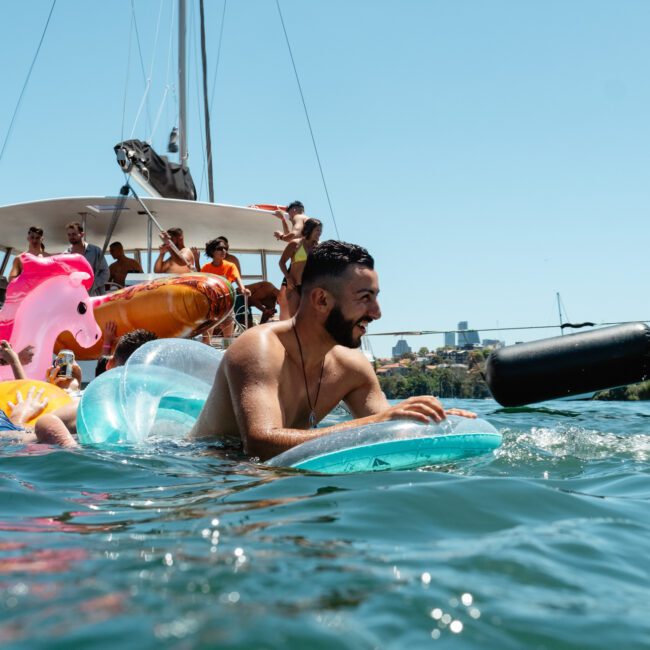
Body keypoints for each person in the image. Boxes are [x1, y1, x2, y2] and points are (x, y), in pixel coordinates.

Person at [190, 240, 475, 459]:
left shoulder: (353, 368)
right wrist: (380, 421)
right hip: (203, 465)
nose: (377, 313)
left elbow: (384, 427)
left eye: (375, 298)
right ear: (321, 300)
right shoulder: (260, 348)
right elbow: (261, 444)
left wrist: (430, 422)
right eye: (365, 298)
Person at [34, 329, 158, 447]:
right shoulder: (154, 413)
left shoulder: (83, 408)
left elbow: (38, 427)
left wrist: (53, 393)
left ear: (108, 365)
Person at [200, 238, 251, 339]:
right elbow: (202, 286)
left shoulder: (231, 266)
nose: (224, 251)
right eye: (220, 248)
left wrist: (243, 289)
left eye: (225, 248)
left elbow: (237, 279)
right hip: (211, 304)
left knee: (228, 337)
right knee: (206, 337)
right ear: (212, 252)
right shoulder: (206, 268)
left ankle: (227, 353)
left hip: (227, 303)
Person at [278, 218, 322, 319]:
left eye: (320, 231)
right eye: (317, 230)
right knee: (296, 319)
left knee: (311, 318)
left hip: (311, 287)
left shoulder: (319, 247)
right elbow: (281, 262)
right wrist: (288, 278)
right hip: (295, 287)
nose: (319, 233)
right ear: (309, 230)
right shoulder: (295, 243)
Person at [65, 221, 110, 296]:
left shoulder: (95, 250)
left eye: (74, 234)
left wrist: (92, 284)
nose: (71, 237)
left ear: (82, 234)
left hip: (95, 296)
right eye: (69, 235)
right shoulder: (66, 255)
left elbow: (105, 272)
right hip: (75, 297)